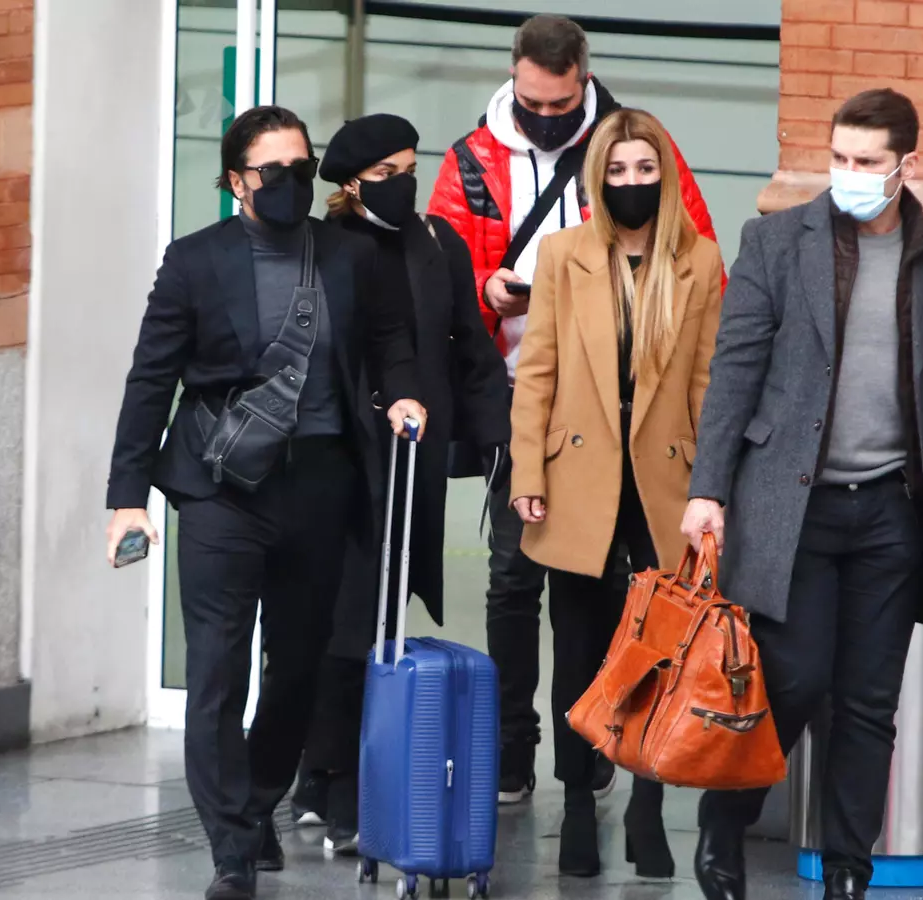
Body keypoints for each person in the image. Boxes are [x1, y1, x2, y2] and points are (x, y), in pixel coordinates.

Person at [679, 88, 923, 900]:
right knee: (793, 680)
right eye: (839, 157)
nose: (849, 173)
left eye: (867, 161)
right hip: (792, 507)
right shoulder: (776, 242)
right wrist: (709, 490)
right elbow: (735, 371)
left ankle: (848, 871)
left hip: (890, 510)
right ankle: (725, 824)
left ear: (907, 164)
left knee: (870, 704)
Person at [103, 105, 426, 900]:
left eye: (300, 168)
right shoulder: (194, 261)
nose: (289, 182)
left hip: (319, 484)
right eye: (272, 170)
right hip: (221, 489)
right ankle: (231, 849)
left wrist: (402, 393)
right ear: (236, 180)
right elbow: (152, 379)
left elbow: (391, 340)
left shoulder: (350, 255)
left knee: (299, 666)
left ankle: (255, 802)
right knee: (217, 667)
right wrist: (127, 497)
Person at [426, 11, 720, 806]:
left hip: (627, 409)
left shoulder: (633, 149)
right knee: (513, 580)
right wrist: (485, 289)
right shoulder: (473, 161)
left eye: (561, 105)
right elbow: (439, 271)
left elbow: (695, 261)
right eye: (533, 103)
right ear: (514, 78)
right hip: (519, 390)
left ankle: (598, 743)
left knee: (615, 587)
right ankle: (513, 751)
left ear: (584, 82)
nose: (546, 117)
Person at [267, 114, 511, 860]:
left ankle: (327, 773)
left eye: (410, 168)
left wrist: (496, 442)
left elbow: (469, 348)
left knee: (379, 624)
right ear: (350, 183)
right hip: (339, 465)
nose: (403, 183)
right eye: (385, 174)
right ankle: (333, 779)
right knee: (343, 626)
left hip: (411, 463)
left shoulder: (436, 242)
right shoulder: (323, 247)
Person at [508, 108, 726, 880]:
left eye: (645, 168)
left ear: (665, 176)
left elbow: (709, 383)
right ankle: (576, 803)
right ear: (597, 179)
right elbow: (537, 370)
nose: (632, 182)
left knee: (661, 656)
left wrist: (713, 489)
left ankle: (645, 806)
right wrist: (527, 474)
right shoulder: (563, 255)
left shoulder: (698, 260)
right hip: (578, 478)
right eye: (617, 170)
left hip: (666, 483)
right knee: (577, 652)